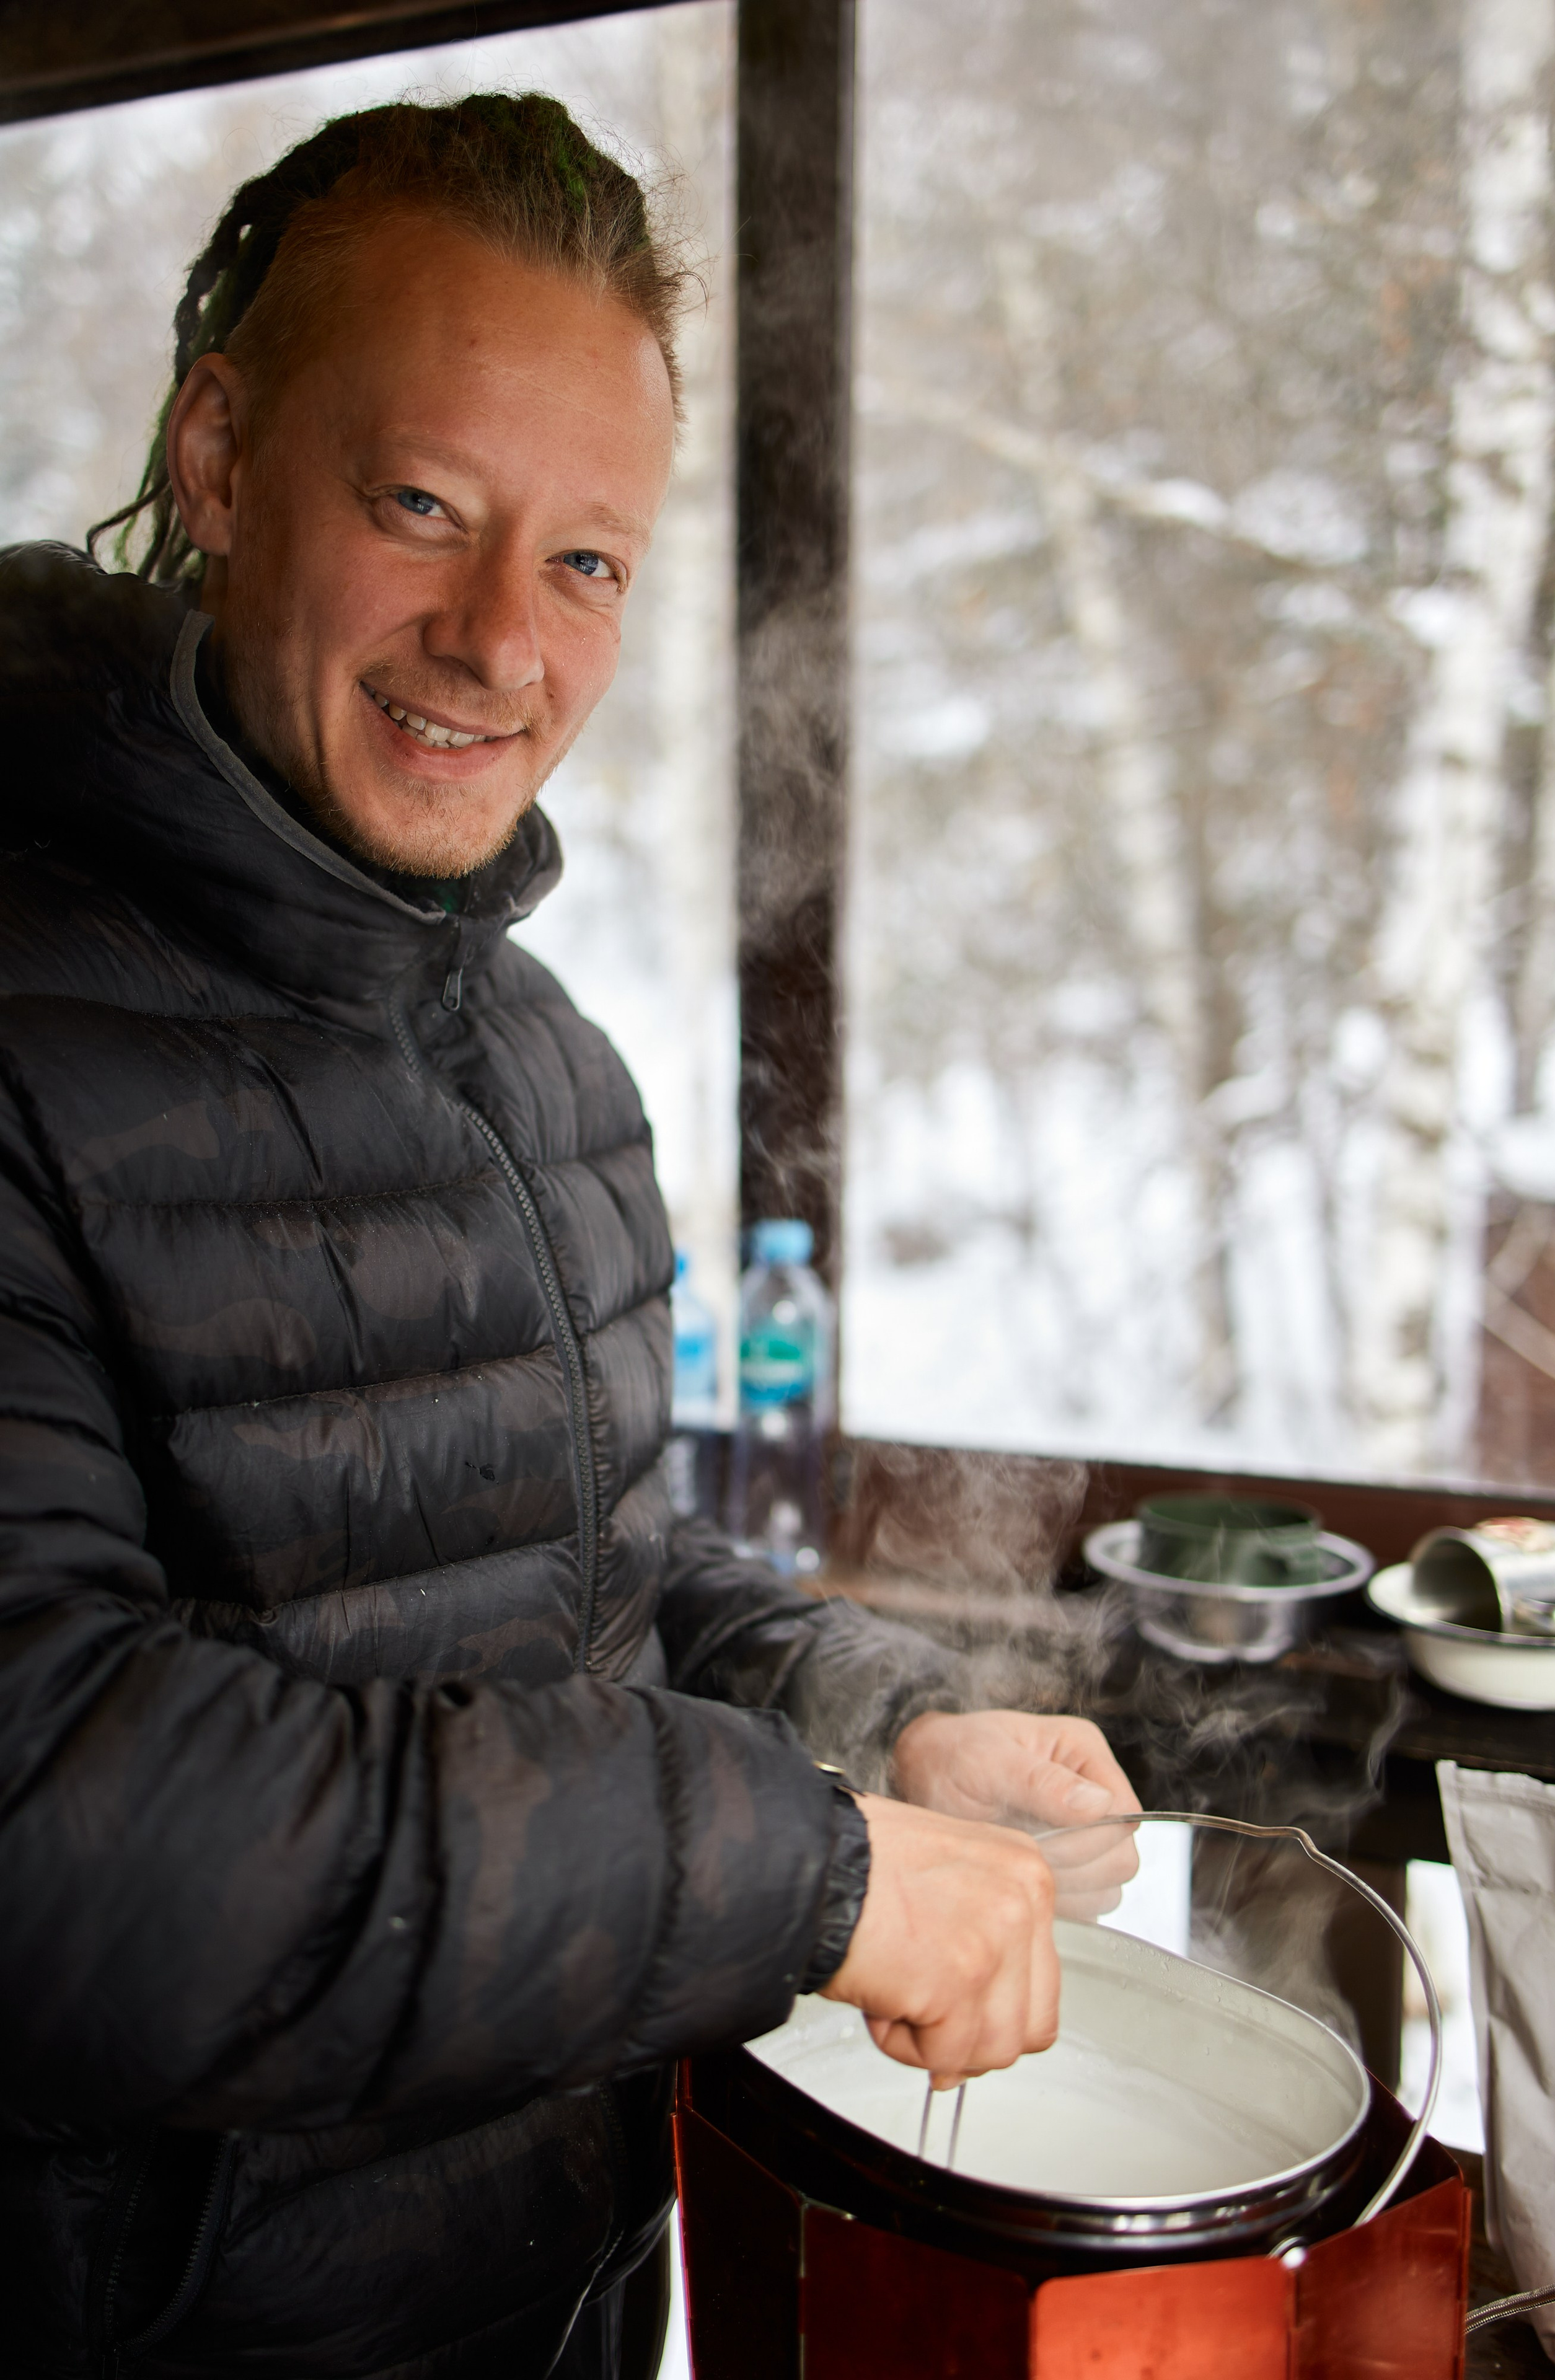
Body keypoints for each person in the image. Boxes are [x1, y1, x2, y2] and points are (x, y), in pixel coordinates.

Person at [0, 95, 1137, 2380]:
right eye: (422, 504)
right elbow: (55, 1820)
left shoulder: (542, 1066)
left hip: (569, 2308)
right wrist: (794, 1877)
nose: (500, 639)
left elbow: (577, 1601)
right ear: (223, 464)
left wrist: (871, 1727)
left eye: (589, 561)